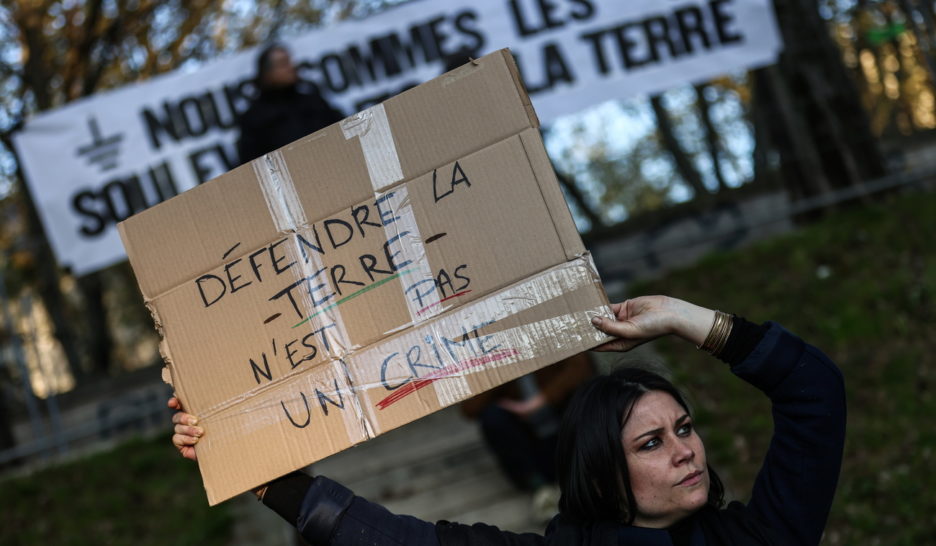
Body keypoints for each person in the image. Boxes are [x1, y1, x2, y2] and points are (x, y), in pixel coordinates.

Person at [170, 295, 846, 545]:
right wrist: (256, 469)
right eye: (650, 441)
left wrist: (683, 319)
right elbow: (390, 539)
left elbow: (815, 391)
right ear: (606, 471)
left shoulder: (762, 537)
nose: (684, 450)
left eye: (684, 428)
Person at [236, 43, 344, 165]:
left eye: (290, 61)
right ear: (267, 73)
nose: (291, 67)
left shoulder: (313, 100)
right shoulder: (253, 118)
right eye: (283, 63)